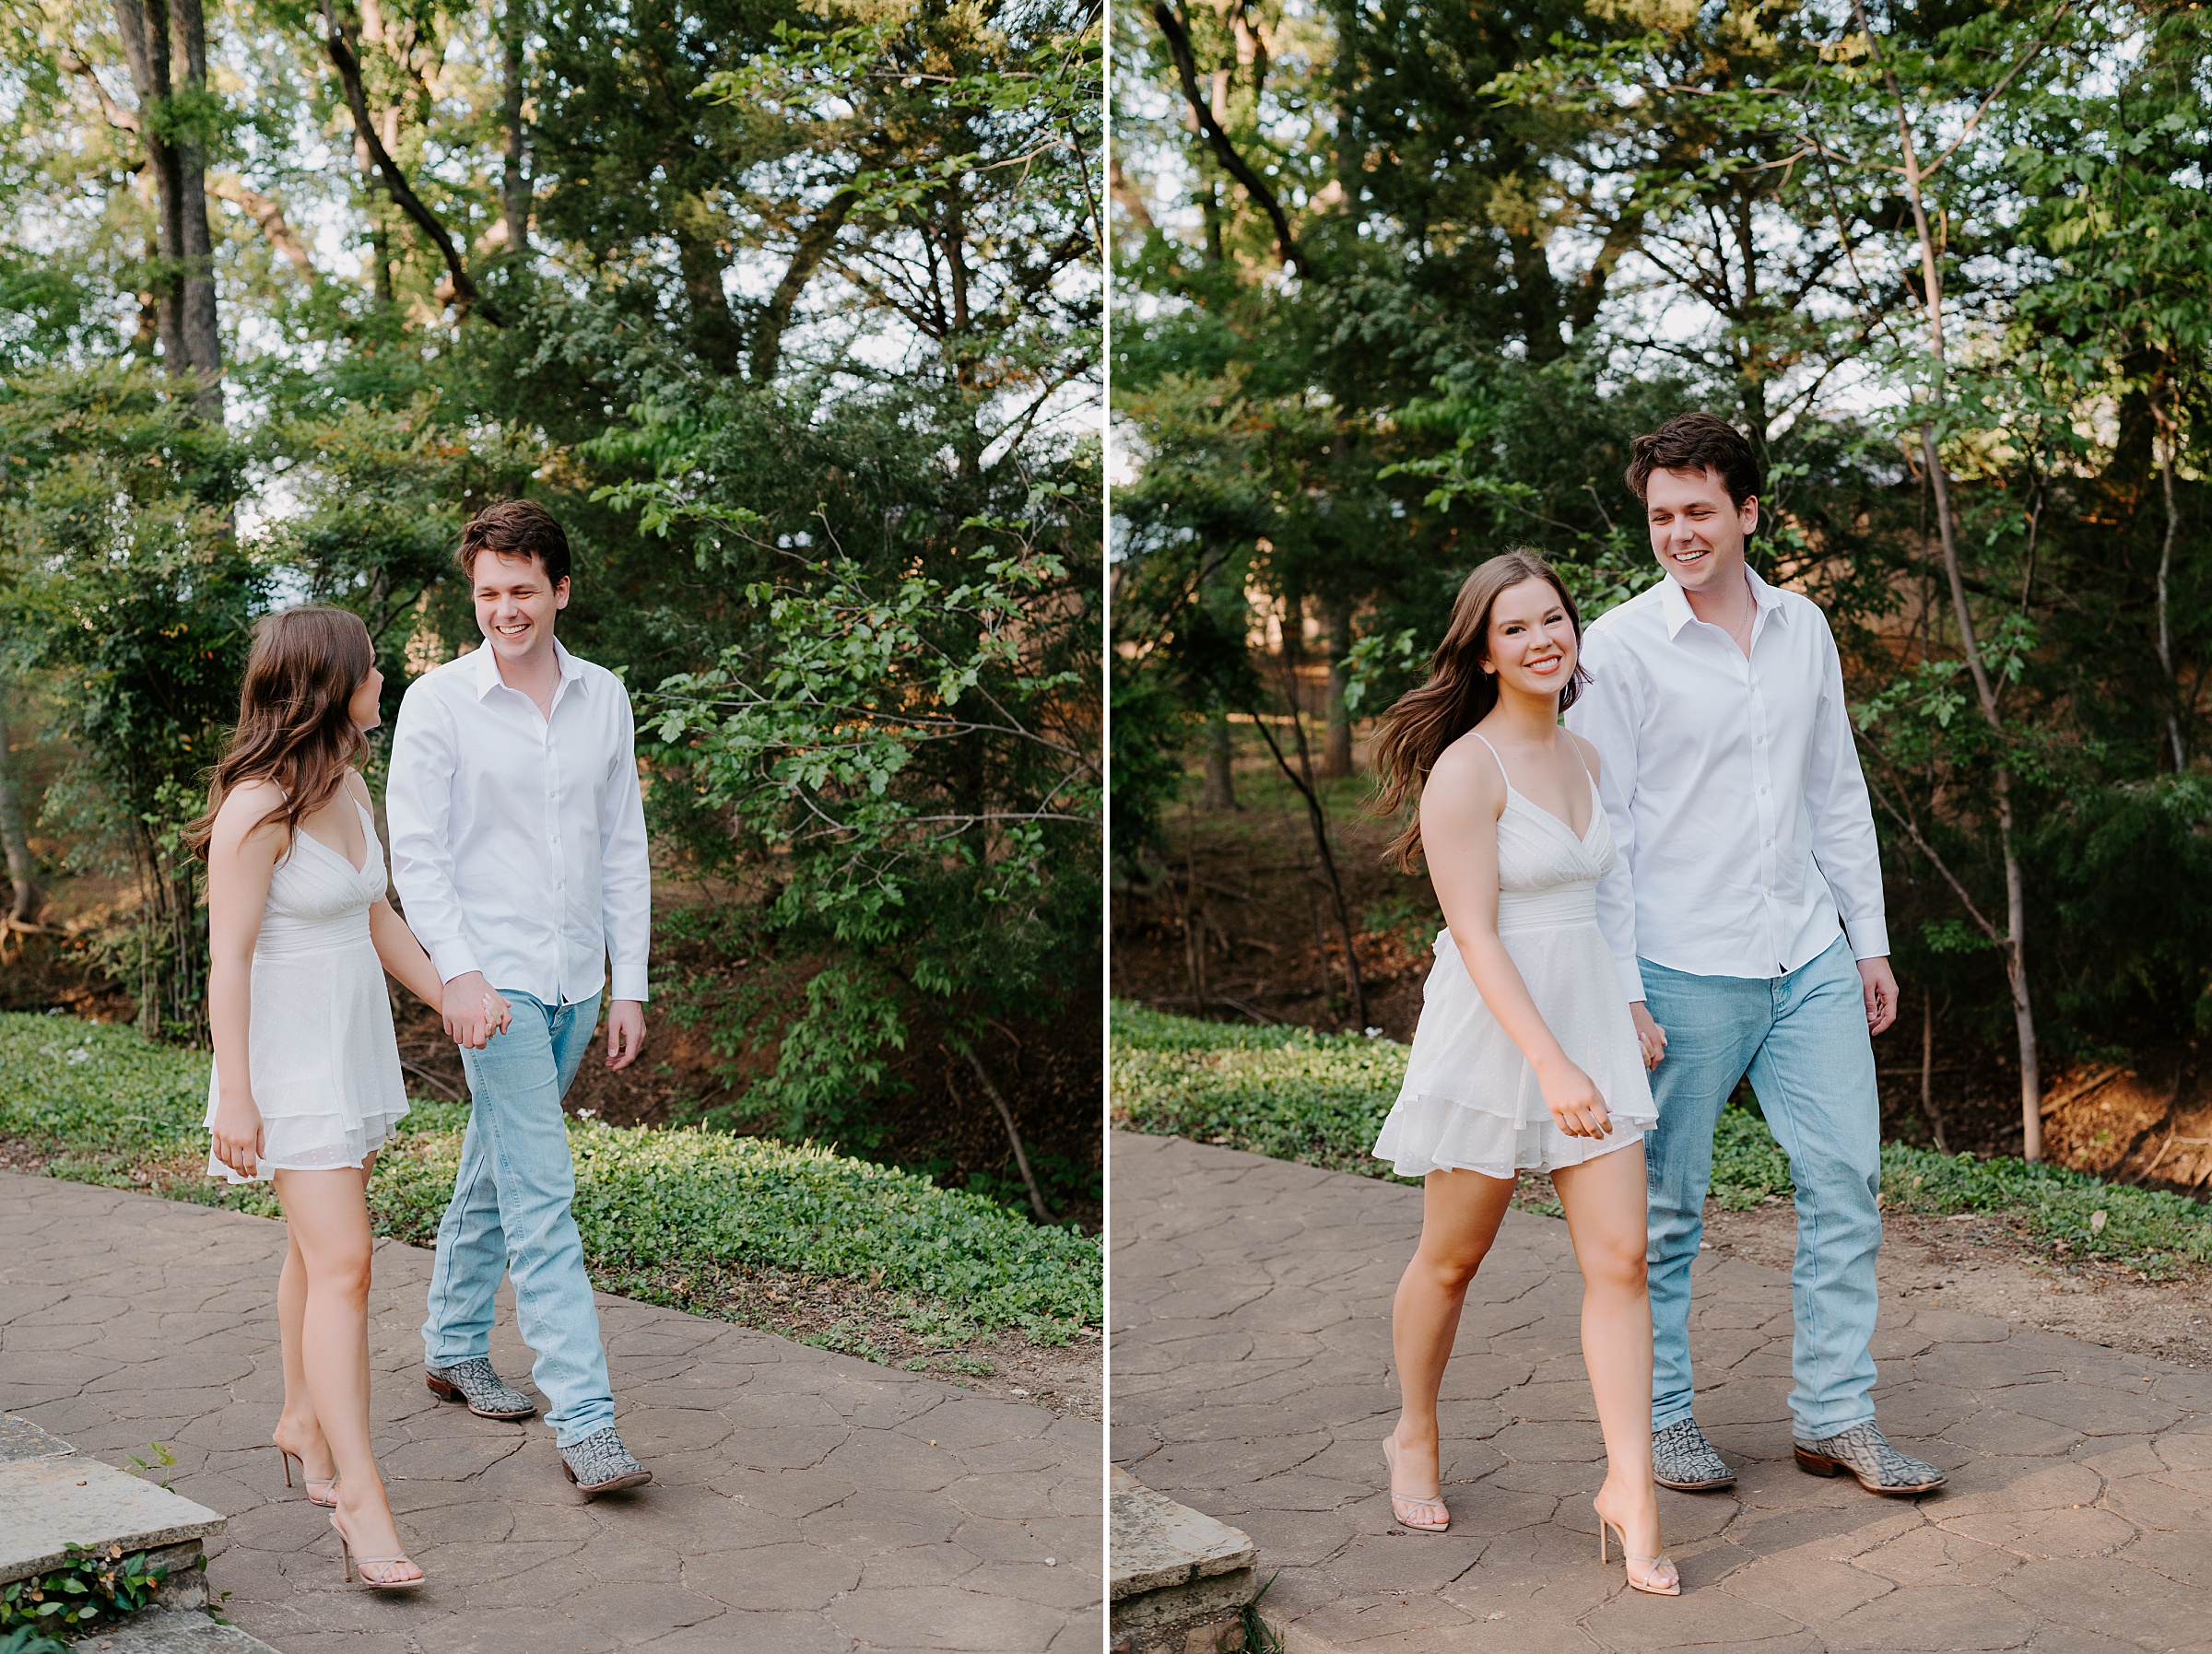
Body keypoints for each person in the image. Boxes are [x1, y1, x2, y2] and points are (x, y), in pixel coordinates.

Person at [1566, 412, 1943, 1497]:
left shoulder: (1804, 627)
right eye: (1660, 516)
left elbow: (1835, 792)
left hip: (1809, 951)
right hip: (1683, 963)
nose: (1678, 532)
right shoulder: (1620, 647)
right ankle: (1665, 1419)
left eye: (1698, 511)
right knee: (1669, 1206)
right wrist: (1624, 988)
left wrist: (1867, 943)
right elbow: (1613, 834)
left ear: (1747, 513)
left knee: (1845, 1184)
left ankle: (1834, 1416)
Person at [1369, 551, 1678, 1597]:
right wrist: (1548, 1062)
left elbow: (1607, 898)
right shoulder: (1467, 769)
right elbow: (1478, 933)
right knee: (1453, 1259)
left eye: (1555, 618)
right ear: (1483, 649)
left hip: (1589, 1013)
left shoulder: (1587, 758)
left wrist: (1627, 1005)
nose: (1544, 638)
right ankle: (1414, 1428)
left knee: (1624, 1259)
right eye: (1517, 627)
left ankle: (1630, 1488)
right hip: (1498, 1030)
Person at [199, 604, 512, 1590]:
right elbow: (228, 961)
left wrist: (453, 995)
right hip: (285, 1065)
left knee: (314, 1252)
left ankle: (301, 1418)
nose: (387, 679)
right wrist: (236, 1096)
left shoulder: (345, 784)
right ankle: (364, 1499)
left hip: (350, 1050)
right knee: (349, 1264)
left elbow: (374, 914)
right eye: (374, 669)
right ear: (335, 685)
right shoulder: (256, 806)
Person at [386, 499, 654, 1497]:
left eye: (522, 591)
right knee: (543, 1192)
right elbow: (415, 849)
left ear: (560, 590)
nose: (505, 609)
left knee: (498, 1163)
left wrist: (629, 982)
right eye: (488, 592)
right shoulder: (440, 702)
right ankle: (587, 1420)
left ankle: (454, 1343)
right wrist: (455, 971)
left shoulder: (605, 697)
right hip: (490, 985)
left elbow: (622, 844)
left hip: (577, 981)